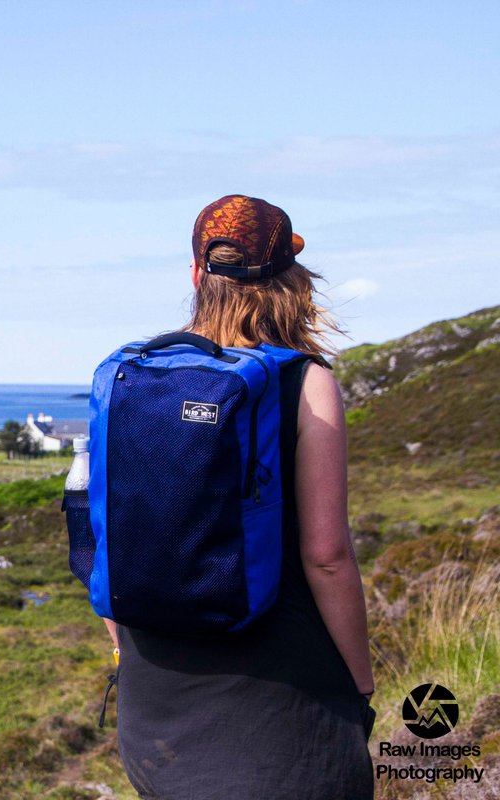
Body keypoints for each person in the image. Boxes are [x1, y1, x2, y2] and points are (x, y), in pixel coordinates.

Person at [107, 195, 375, 799]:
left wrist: (128, 652)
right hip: (280, 715)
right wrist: (359, 686)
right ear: (289, 278)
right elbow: (327, 555)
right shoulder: (304, 382)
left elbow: (105, 534)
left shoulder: (134, 376)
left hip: (153, 710)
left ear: (197, 274)